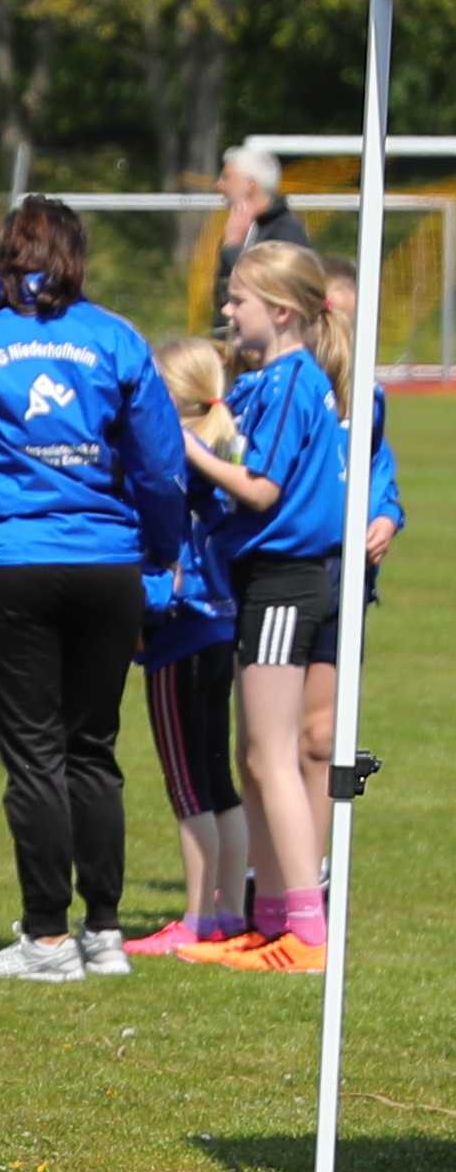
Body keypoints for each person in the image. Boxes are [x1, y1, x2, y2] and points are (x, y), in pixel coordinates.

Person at [0, 197, 185, 985]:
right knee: (92, 748)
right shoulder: (113, 337)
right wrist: (158, 552)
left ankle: (46, 937)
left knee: (33, 753)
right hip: (106, 562)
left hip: (9, 560)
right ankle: (105, 932)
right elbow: (159, 466)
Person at [176, 242, 348, 974]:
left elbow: (260, 489)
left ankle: (305, 929)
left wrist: (190, 450)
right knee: (256, 756)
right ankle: (270, 918)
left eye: (238, 299)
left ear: (279, 312)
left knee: (272, 756)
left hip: (283, 580)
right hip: (267, 580)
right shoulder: (268, 381)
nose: (226, 309)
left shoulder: (290, 381)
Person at [126, 337, 250, 958]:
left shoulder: (171, 456)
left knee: (186, 781)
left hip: (178, 629)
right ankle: (229, 911)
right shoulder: (225, 450)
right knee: (216, 776)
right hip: (221, 625)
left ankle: (198, 918)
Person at [304, 254, 406, 868]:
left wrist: (386, 516)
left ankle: (312, 872)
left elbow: (379, 474)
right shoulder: (289, 390)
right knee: (273, 740)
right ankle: (270, 867)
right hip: (287, 574)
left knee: (322, 735)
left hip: (346, 583)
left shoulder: (369, 397)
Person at [215, 147, 312, 323]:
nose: (219, 185)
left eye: (226, 177)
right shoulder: (243, 228)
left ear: (250, 185)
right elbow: (222, 296)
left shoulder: (286, 232)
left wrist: (232, 248)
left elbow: (271, 289)